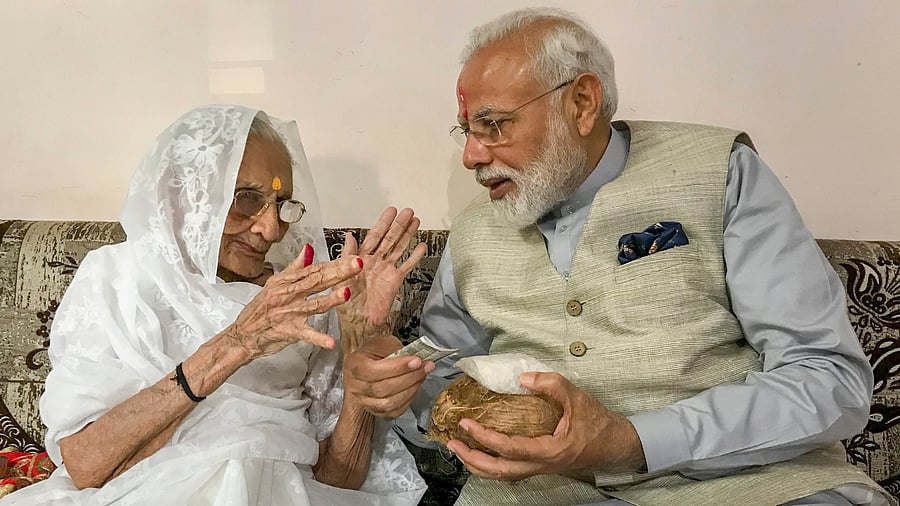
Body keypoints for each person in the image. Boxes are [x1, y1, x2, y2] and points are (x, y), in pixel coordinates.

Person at [395, 8, 895, 506]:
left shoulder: (720, 175)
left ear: (582, 102)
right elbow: (442, 383)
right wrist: (387, 374)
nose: (472, 157)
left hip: (754, 488)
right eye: (467, 130)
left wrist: (634, 441)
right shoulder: (473, 231)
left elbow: (828, 378)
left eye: (495, 125)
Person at [0, 104, 431, 505]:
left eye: (282, 206)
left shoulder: (302, 298)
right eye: (245, 199)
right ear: (182, 193)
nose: (270, 228)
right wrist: (237, 342)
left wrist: (359, 346)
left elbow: (336, 482)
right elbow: (86, 466)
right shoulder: (118, 278)